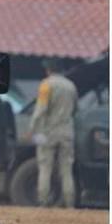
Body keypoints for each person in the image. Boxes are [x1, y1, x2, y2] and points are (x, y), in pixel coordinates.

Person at [28, 59, 79, 208]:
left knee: (45, 167)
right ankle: (70, 204)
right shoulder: (71, 86)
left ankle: (43, 202)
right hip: (67, 132)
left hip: (48, 132)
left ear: (48, 70)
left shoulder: (46, 85)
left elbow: (40, 110)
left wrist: (32, 129)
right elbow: (75, 109)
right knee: (66, 169)